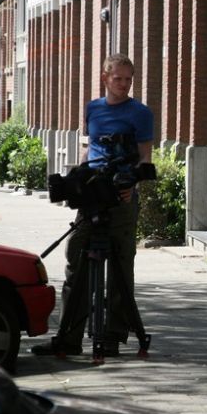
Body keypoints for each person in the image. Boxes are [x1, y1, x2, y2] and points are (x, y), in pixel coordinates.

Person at [33, 53, 153, 357]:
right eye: (118, 78)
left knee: (121, 268)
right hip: (93, 195)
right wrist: (78, 176)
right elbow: (90, 149)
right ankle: (68, 338)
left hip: (122, 197)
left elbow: (145, 156)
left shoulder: (140, 113)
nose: (124, 84)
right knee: (76, 260)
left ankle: (113, 336)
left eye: (128, 79)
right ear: (105, 78)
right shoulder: (93, 109)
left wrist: (132, 184)